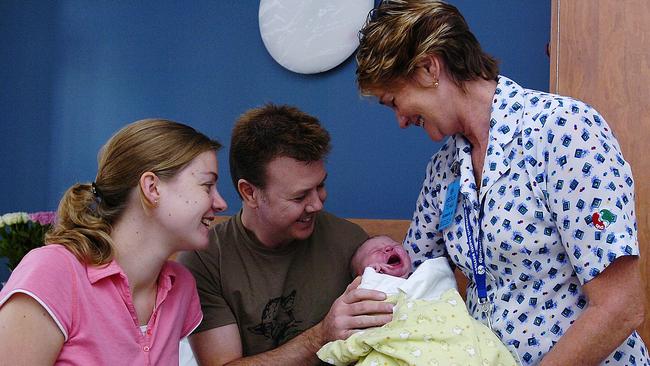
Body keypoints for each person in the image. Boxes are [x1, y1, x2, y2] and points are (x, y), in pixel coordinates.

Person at [355, 1, 648, 365]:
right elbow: (411, 275)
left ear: (429, 68)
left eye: (394, 101)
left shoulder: (563, 132)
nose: (400, 120)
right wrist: (359, 301)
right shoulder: (443, 171)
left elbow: (621, 307)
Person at [178, 104, 394, 365]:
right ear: (250, 193)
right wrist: (320, 335)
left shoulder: (350, 243)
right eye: (300, 196)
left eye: (321, 185)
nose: (317, 204)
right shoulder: (206, 260)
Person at [0, 119, 228, 365]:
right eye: (207, 186)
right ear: (152, 188)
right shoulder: (54, 271)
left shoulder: (181, 287)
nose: (220, 203)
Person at [318, 235, 517, 365]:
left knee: (483, 345)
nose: (387, 249)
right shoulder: (366, 291)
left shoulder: (426, 278)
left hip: (450, 335)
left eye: (393, 245)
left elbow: (449, 304)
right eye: (375, 252)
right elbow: (357, 330)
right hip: (394, 344)